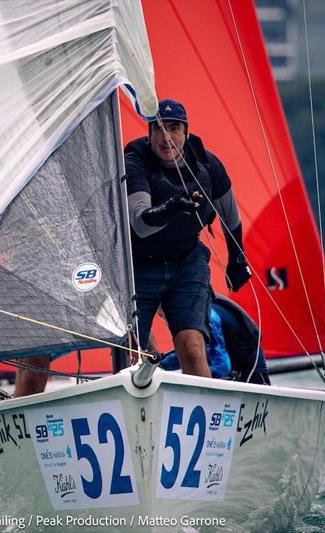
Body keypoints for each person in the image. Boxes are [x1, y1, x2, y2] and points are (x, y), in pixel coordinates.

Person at [125, 98, 251, 378]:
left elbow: (230, 216)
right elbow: (140, 223)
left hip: (186, 261)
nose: (166, 137)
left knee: (192, 346)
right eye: (158, 129)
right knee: (132, 353)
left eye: (174, 128)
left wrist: (237, 259)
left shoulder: (207, 165)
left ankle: (205, 414)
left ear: (186, 131)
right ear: (149, 134)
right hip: (139, 265)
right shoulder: (135, 162)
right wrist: (170, 209)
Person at [156, 293, 271, 385]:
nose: (166, 322)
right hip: (227, 363)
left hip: (248, 368)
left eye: (163, 316)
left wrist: (184, 377)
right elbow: (187, 351)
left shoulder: (209, 317)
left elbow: (222, 367)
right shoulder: (192, 309)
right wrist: (159, 366)